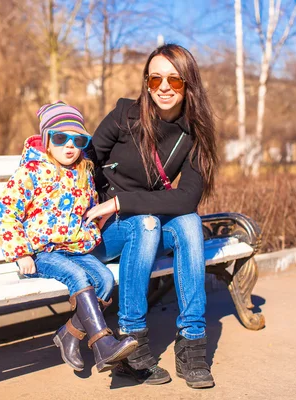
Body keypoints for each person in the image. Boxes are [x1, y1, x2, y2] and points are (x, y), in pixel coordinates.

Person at [84, 44, 218, 389]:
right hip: (101, 230)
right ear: (146, 82)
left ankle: (192, 341)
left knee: (189, 223)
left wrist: (121, 202)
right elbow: (85, 165)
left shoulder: (195, 135)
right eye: (155, 77)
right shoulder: (124, 116)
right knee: (146, 222)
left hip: (133, 218)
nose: (163, 86)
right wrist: (100, 205)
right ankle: (131, 342)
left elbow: (187, 199)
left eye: (174, 80)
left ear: (189, 84)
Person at [0, 101, 137, 373]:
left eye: (78, 140)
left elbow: (86, 210)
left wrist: (95, 222)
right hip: (41, 253)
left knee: (105, 280)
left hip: (74, 250)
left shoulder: (83, 173)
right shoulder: (31, 172)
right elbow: (5, 211)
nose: (69, 146)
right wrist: (20, 252)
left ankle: (69, 334)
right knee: (79, 278)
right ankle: (102, 344)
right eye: (60, 138)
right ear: (47, 140)